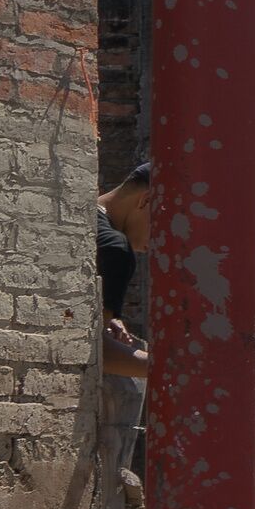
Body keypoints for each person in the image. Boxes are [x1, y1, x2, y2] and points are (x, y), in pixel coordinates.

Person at [97, 158, 153, 384]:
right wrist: (177, 372)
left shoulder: (73, 215)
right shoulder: (116, 248)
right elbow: (95, 350)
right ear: (146, 200)